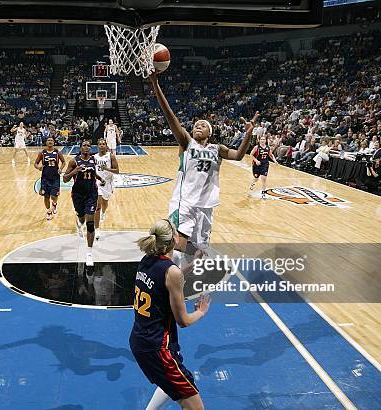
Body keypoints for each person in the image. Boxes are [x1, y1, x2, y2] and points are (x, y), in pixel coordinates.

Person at [149, 72, 258, 260]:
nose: (198, 126)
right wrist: (155, 85)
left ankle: (193, 286)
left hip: (206, 206)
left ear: (210, 132)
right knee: (178, 249)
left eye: (203, 125)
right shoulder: (186, 143)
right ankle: (173, 283)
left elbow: (239, 156)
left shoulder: (218, 149)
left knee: (200, 252)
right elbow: (169, 115)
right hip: (185, 203)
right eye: (196, 125)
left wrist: (248, 134)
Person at [130, 219, 210, 410]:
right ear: (175, 239)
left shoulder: (146, 261)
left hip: (140, 340)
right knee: (195, 406)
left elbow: (167, 279)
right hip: (158, 348)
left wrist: (192, 264)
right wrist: (200, 312)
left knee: (168, 381)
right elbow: (183, 321)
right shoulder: (170, 271)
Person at [63, 140, 105, 266]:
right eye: (84, 145)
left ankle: (89, 253)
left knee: (90, 223)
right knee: (81, 217)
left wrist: (100, 178)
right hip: (78, 195)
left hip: (92, 194)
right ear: (80, 147)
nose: (87, 147)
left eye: (88, 146)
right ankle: (79, 221)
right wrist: (74, 171)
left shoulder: (93, 159)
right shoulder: (73, 161)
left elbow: (93, 173)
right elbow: (65, 179)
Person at [94, 138, 119, 240]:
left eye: (103, 144)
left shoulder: (111, 156)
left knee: (105, 201)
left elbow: (117, 171)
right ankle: (97, 229)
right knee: (97, 205)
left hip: (108, 182)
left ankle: (103, 213)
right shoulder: (94, 157)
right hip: (98, 183)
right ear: (97, 146)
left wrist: (107, 169)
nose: (101, 146)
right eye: (100, 144)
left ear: (106, 145)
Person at [34, 136, 66, 220]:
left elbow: (63, 162)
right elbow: (35, 163)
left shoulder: (57, 152)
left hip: (55, 177)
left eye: (51, 140)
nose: (50, 141)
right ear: (46, 142)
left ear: (54, 142)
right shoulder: (42, 153)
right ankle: (48, 211)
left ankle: (54, 204)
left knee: (54, 196)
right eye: (48, 140)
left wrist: (61, 169)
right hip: (45, 178)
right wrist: (39, 167)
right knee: (46, 196)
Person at [249, 134, 277, 199]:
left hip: (265, 164)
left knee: (263, 179)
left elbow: (270, 155)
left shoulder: (267, 147)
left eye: (264, 139)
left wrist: (275, 160)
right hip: (257, 165)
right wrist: (256, 160)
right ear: (259, 140)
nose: (262, 140)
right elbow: (251, 154)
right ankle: (252, 183)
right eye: (261, 139)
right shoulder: (256, 147)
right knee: (256, 178)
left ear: (265, 140)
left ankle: (263, 193)